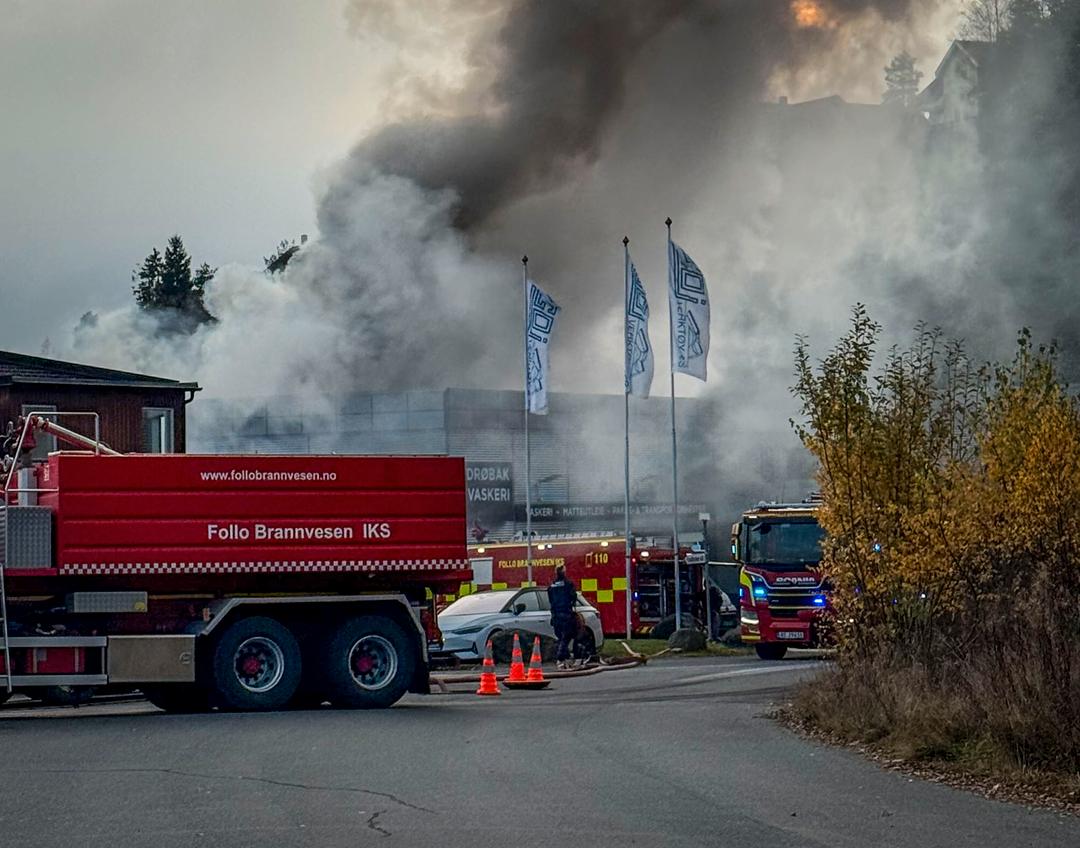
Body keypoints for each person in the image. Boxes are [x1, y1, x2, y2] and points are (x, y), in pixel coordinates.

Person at [547, 565, 578, 670]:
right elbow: (573, 597)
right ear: (563, 572)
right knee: (566, 637)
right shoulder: (568, 584)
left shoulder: (552, 586)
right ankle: (560, 658)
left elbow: (550, 600)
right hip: (565, 614)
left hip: (556, 615)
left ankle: (566, 658)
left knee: (561, 637)